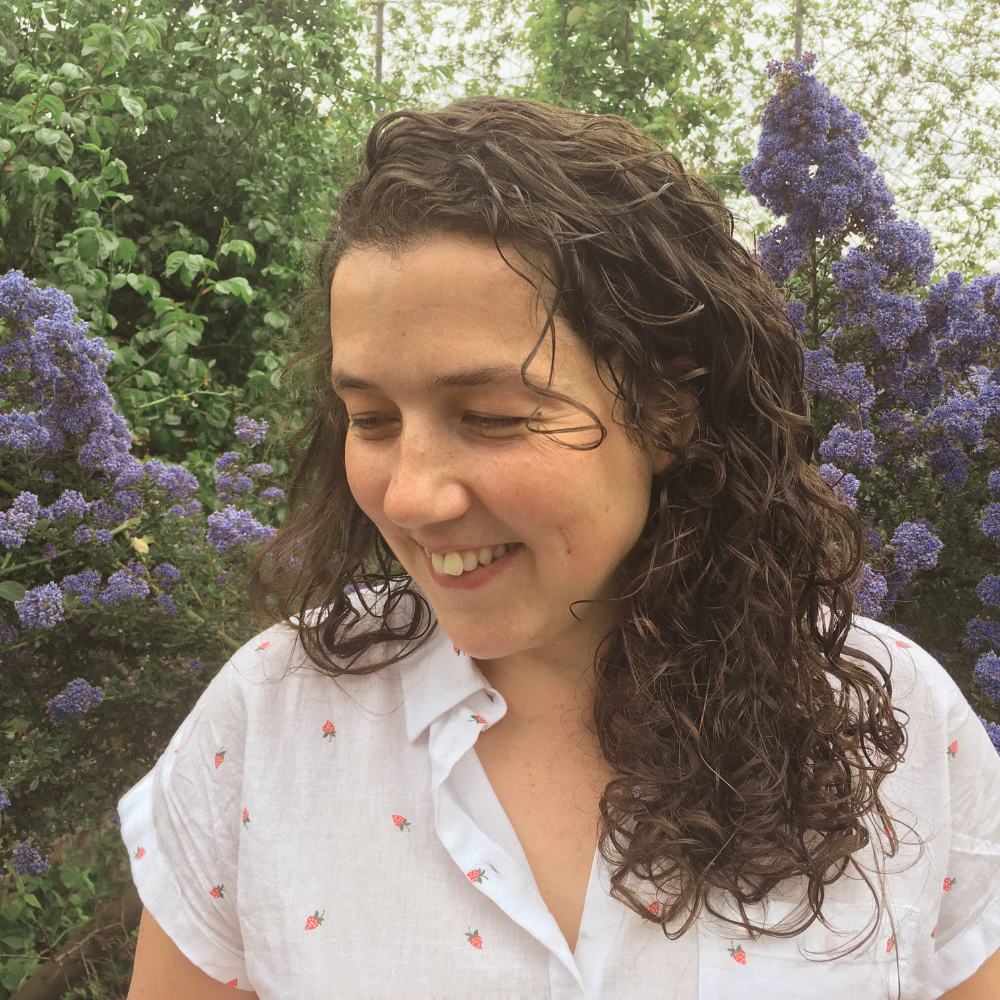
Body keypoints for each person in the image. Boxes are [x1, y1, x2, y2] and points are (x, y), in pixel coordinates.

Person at [121, 97, 1000, 999]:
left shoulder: (895, 734)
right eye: (372, 420)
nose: (413, 494)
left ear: (669, 410)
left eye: (494, 417)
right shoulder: (268, 723)